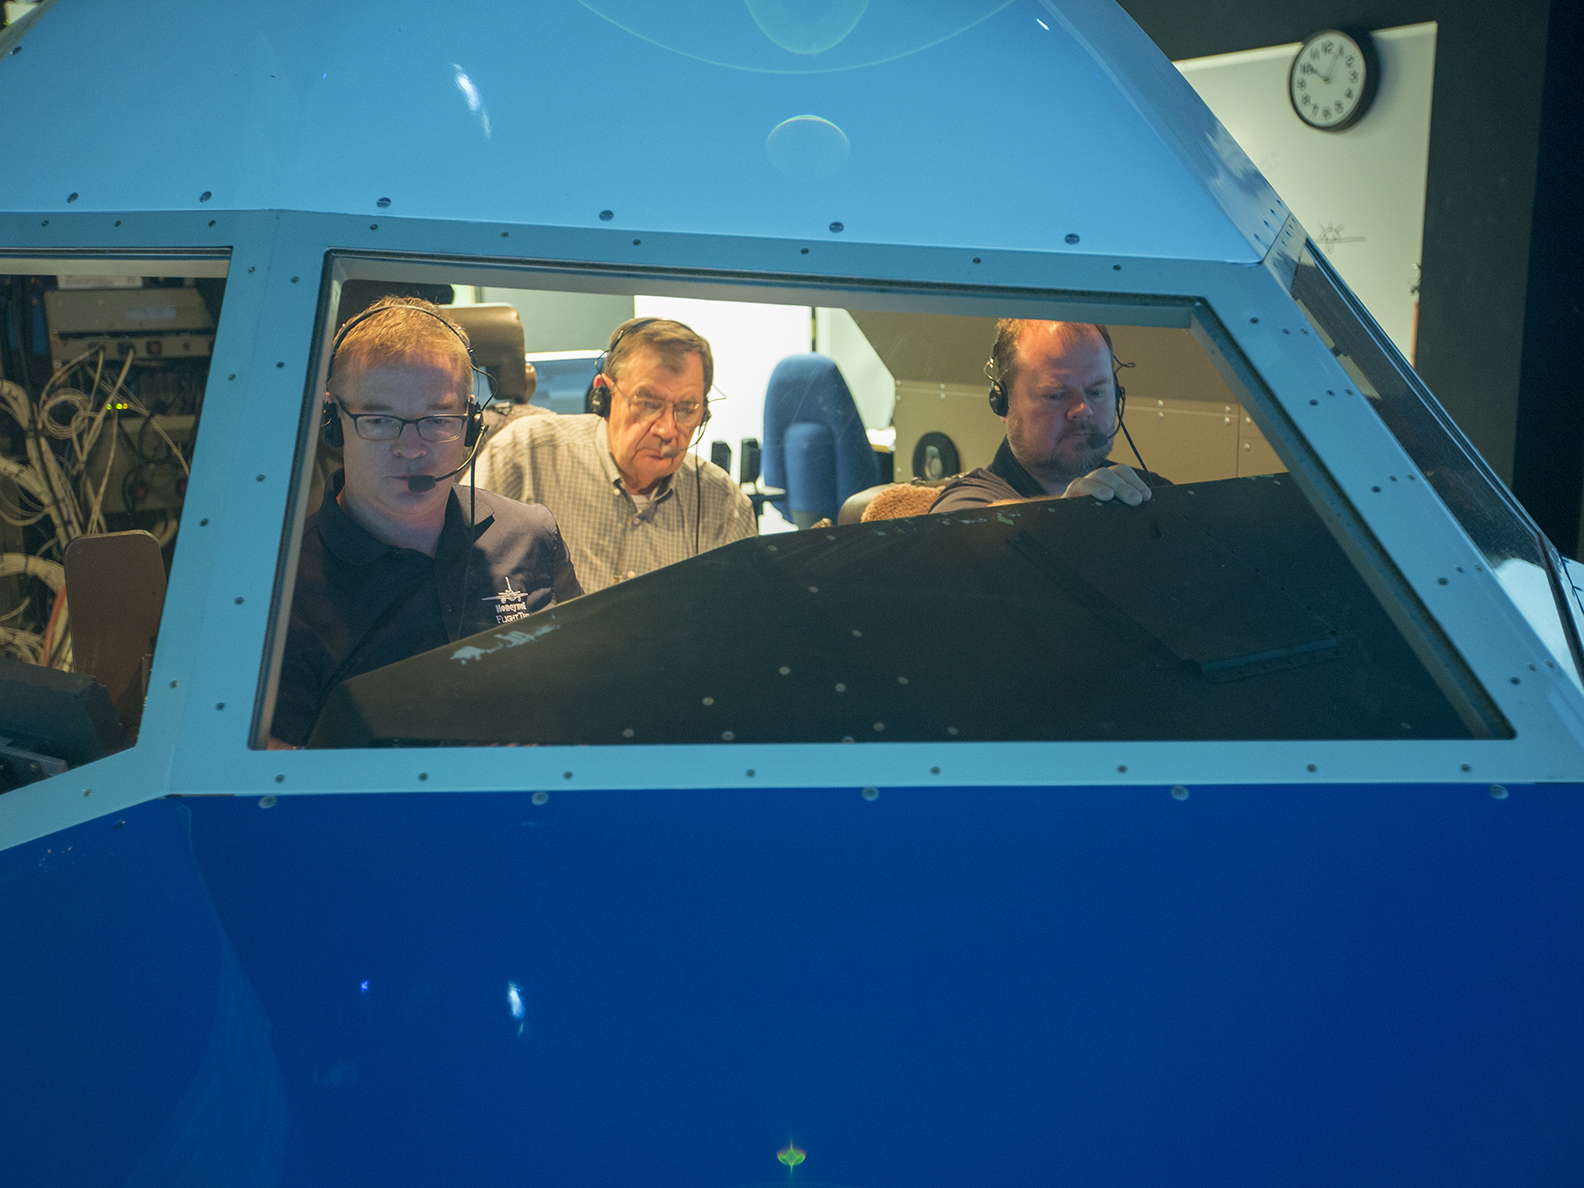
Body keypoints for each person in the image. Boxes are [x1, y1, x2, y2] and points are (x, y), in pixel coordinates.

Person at [269, 297, 582, 747]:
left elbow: (583, 698)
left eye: (437, 420)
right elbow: (278, 778)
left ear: (471, 421)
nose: (411, 448)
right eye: (379, 420)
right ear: (333, 420)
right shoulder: (285, 586)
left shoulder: (530, 536)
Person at [471, 317, 756, 592]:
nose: (667, 430)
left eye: (686, 409)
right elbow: (460, 584)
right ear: (604, 395)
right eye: (647, 403)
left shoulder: (725, 506)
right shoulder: (525, 454)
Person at [930, 319, 1159, 514]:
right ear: (1003, 404)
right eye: (1055, 395)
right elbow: (962, 530)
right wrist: (1067, 513)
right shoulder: (964, 503)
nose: (1082, 409)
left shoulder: (1147, 492)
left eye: (1096, 392)